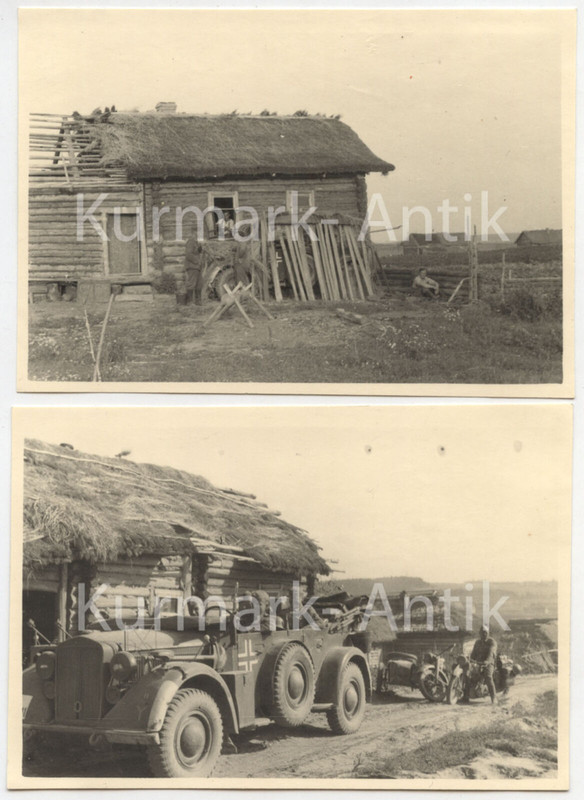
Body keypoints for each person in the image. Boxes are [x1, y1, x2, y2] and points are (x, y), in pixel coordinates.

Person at [463, 624, 498, 704]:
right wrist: (470, 660)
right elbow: (474, 653)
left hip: (489, 663)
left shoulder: (492, 642)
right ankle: (465, 696)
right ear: (480, 633)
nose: (483, 634)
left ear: (488, 633)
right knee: (468, 674)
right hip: (477, 663)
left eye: (485, 632)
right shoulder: (478, 642)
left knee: (488, 676)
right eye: (482, 632)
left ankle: (494, 697)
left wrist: (486, 662)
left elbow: (491, 653)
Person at [184, 237, 205, 305]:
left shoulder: (196, 243)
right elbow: (188, 255)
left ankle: (198, 301)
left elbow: (197, 252)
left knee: (199, 284)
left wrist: (200, 247)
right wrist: (197, 261)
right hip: (192, 266)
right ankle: (189, 302)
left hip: (197, 267)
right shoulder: (191, 242)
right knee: (191, 284)